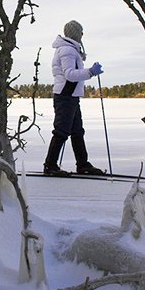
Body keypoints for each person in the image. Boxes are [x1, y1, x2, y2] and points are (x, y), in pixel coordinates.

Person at [43, 20, 105, 176]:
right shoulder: (67, 50)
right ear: (75, 33)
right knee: (61, 132)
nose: (82, 35)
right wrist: (91, 71)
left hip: (71, 96)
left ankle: (83, 165)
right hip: (65, 96)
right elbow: (70, 75)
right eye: (81, 32)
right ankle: (50, 165)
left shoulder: (71, 49)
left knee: (77, 132)